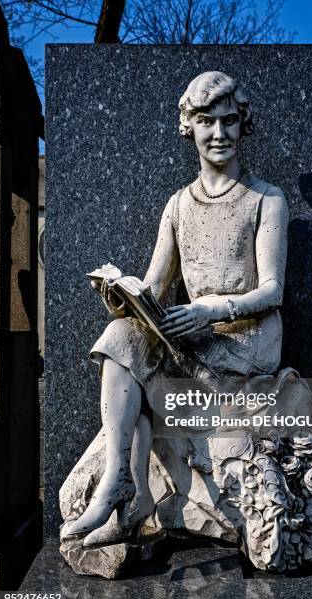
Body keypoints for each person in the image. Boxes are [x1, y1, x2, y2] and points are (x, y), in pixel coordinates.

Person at [63, 71, 289, 545]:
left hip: (244, 345)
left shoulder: (266, 199)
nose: (220, 133)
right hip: (191, 339)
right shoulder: (178, 205)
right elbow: (154, 285)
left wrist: (211, 310)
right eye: (207, 121)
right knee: (121, 338)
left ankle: (131, 489)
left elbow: (273, 291)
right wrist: (123, 298)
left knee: (135, 370)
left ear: (242, 125)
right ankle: (121, 484)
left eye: (229, 121)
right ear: (190, 126)